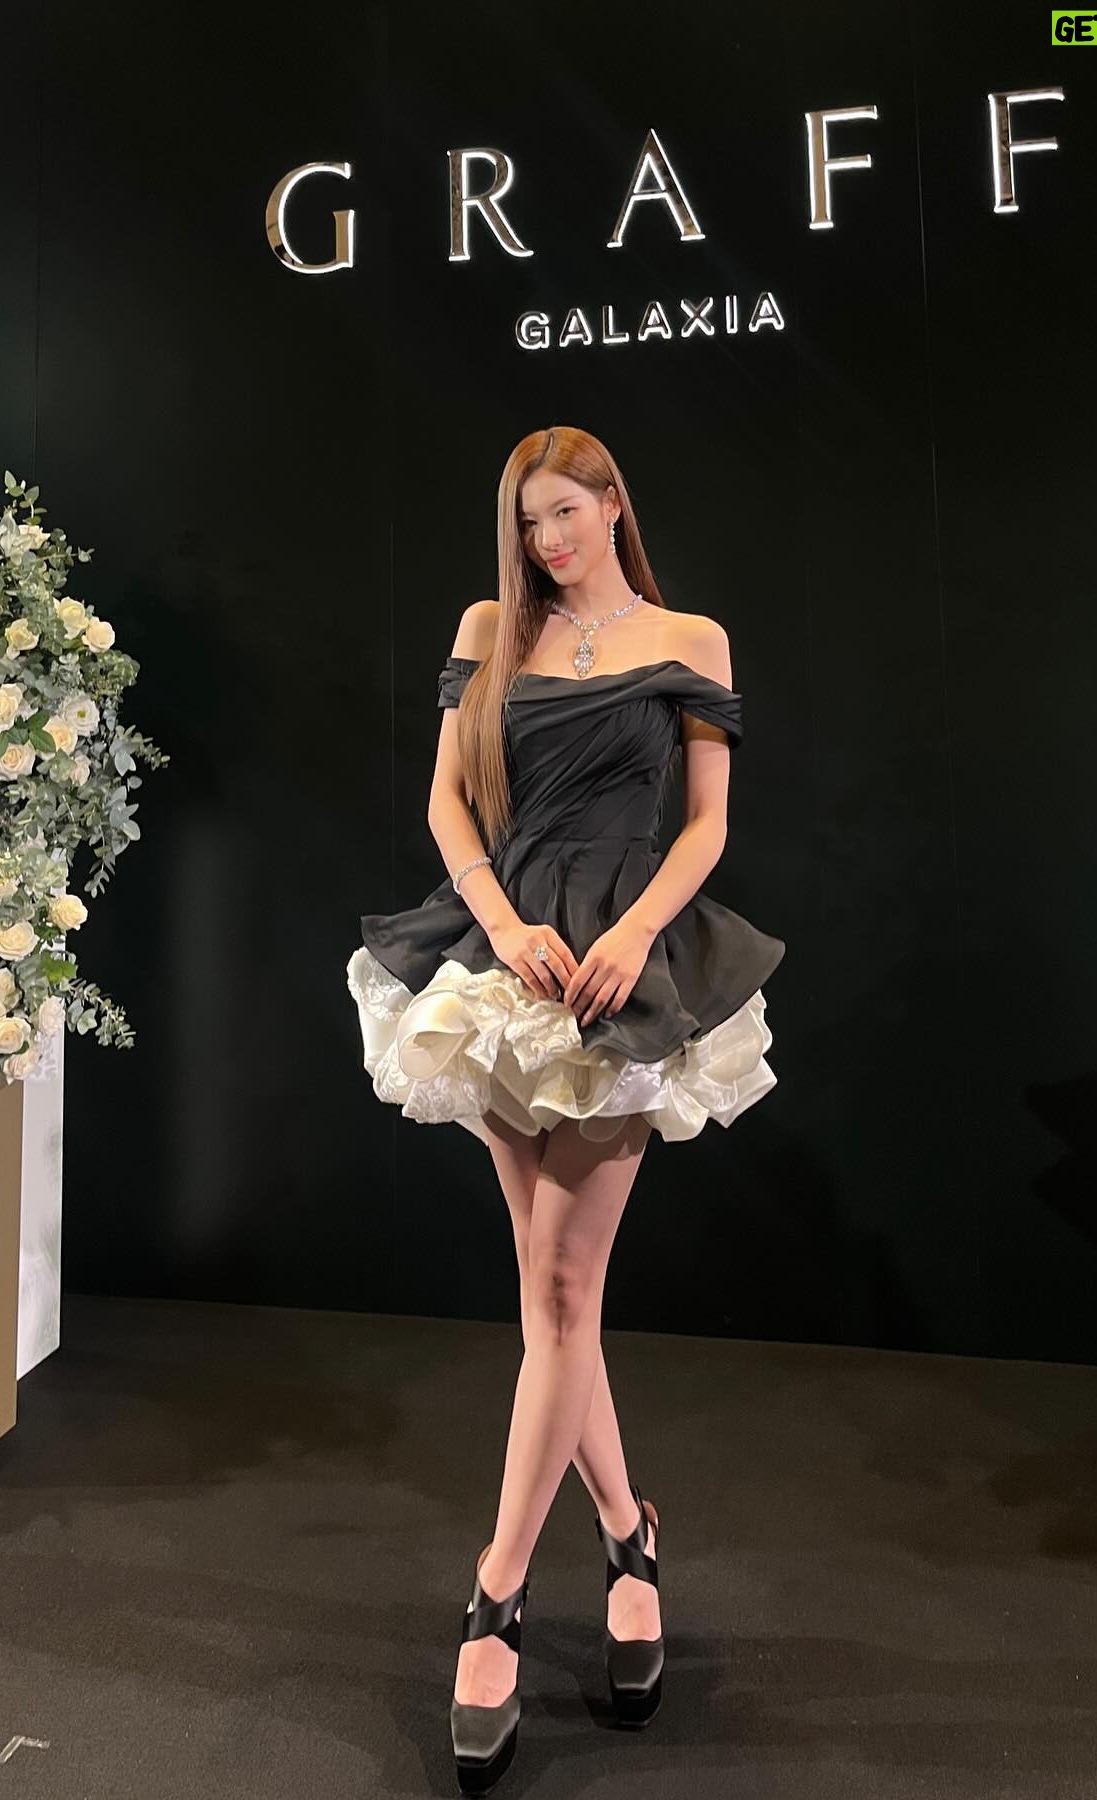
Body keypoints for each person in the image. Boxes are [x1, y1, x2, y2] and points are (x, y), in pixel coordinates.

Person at [344, 424, 785, 1793]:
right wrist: (501, 924)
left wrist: (634, 932)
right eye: (528, 522)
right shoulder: (492, 629)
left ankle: (495, 1596)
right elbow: (447, 805)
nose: (547, 541)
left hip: (620, 966)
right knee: (556, 1300)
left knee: (558, 1286)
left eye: (565, 514)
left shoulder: (690, 639)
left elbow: (706, 824)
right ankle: (630, 1538)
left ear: (611, 504)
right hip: (505, 961)